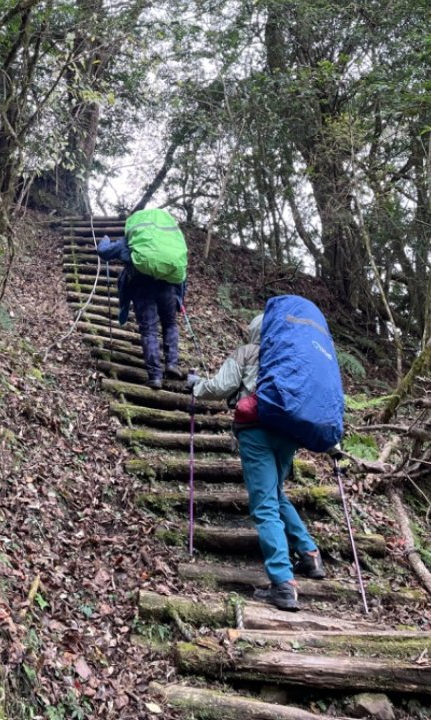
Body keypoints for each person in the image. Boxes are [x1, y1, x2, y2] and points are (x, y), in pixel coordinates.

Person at [186, 313, 325, 611]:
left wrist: (197, 386)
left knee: (264, 505)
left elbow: (221, 386)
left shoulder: (248, 352)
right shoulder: (293, 356)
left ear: (254, 331)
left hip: (256, 432)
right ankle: (310, 554)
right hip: (288, 433)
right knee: (276, 494)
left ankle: (283, 583)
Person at [96, 234, 184, 390]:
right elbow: (181, 268)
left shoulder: (133, 240)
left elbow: (104, 252)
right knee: (170, 324)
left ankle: (155, 376)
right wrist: (180, 297)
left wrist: (105, 240)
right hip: (168, 287)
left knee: (149, 330)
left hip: (142, 286)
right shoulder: (168, 242)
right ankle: (172, 363)